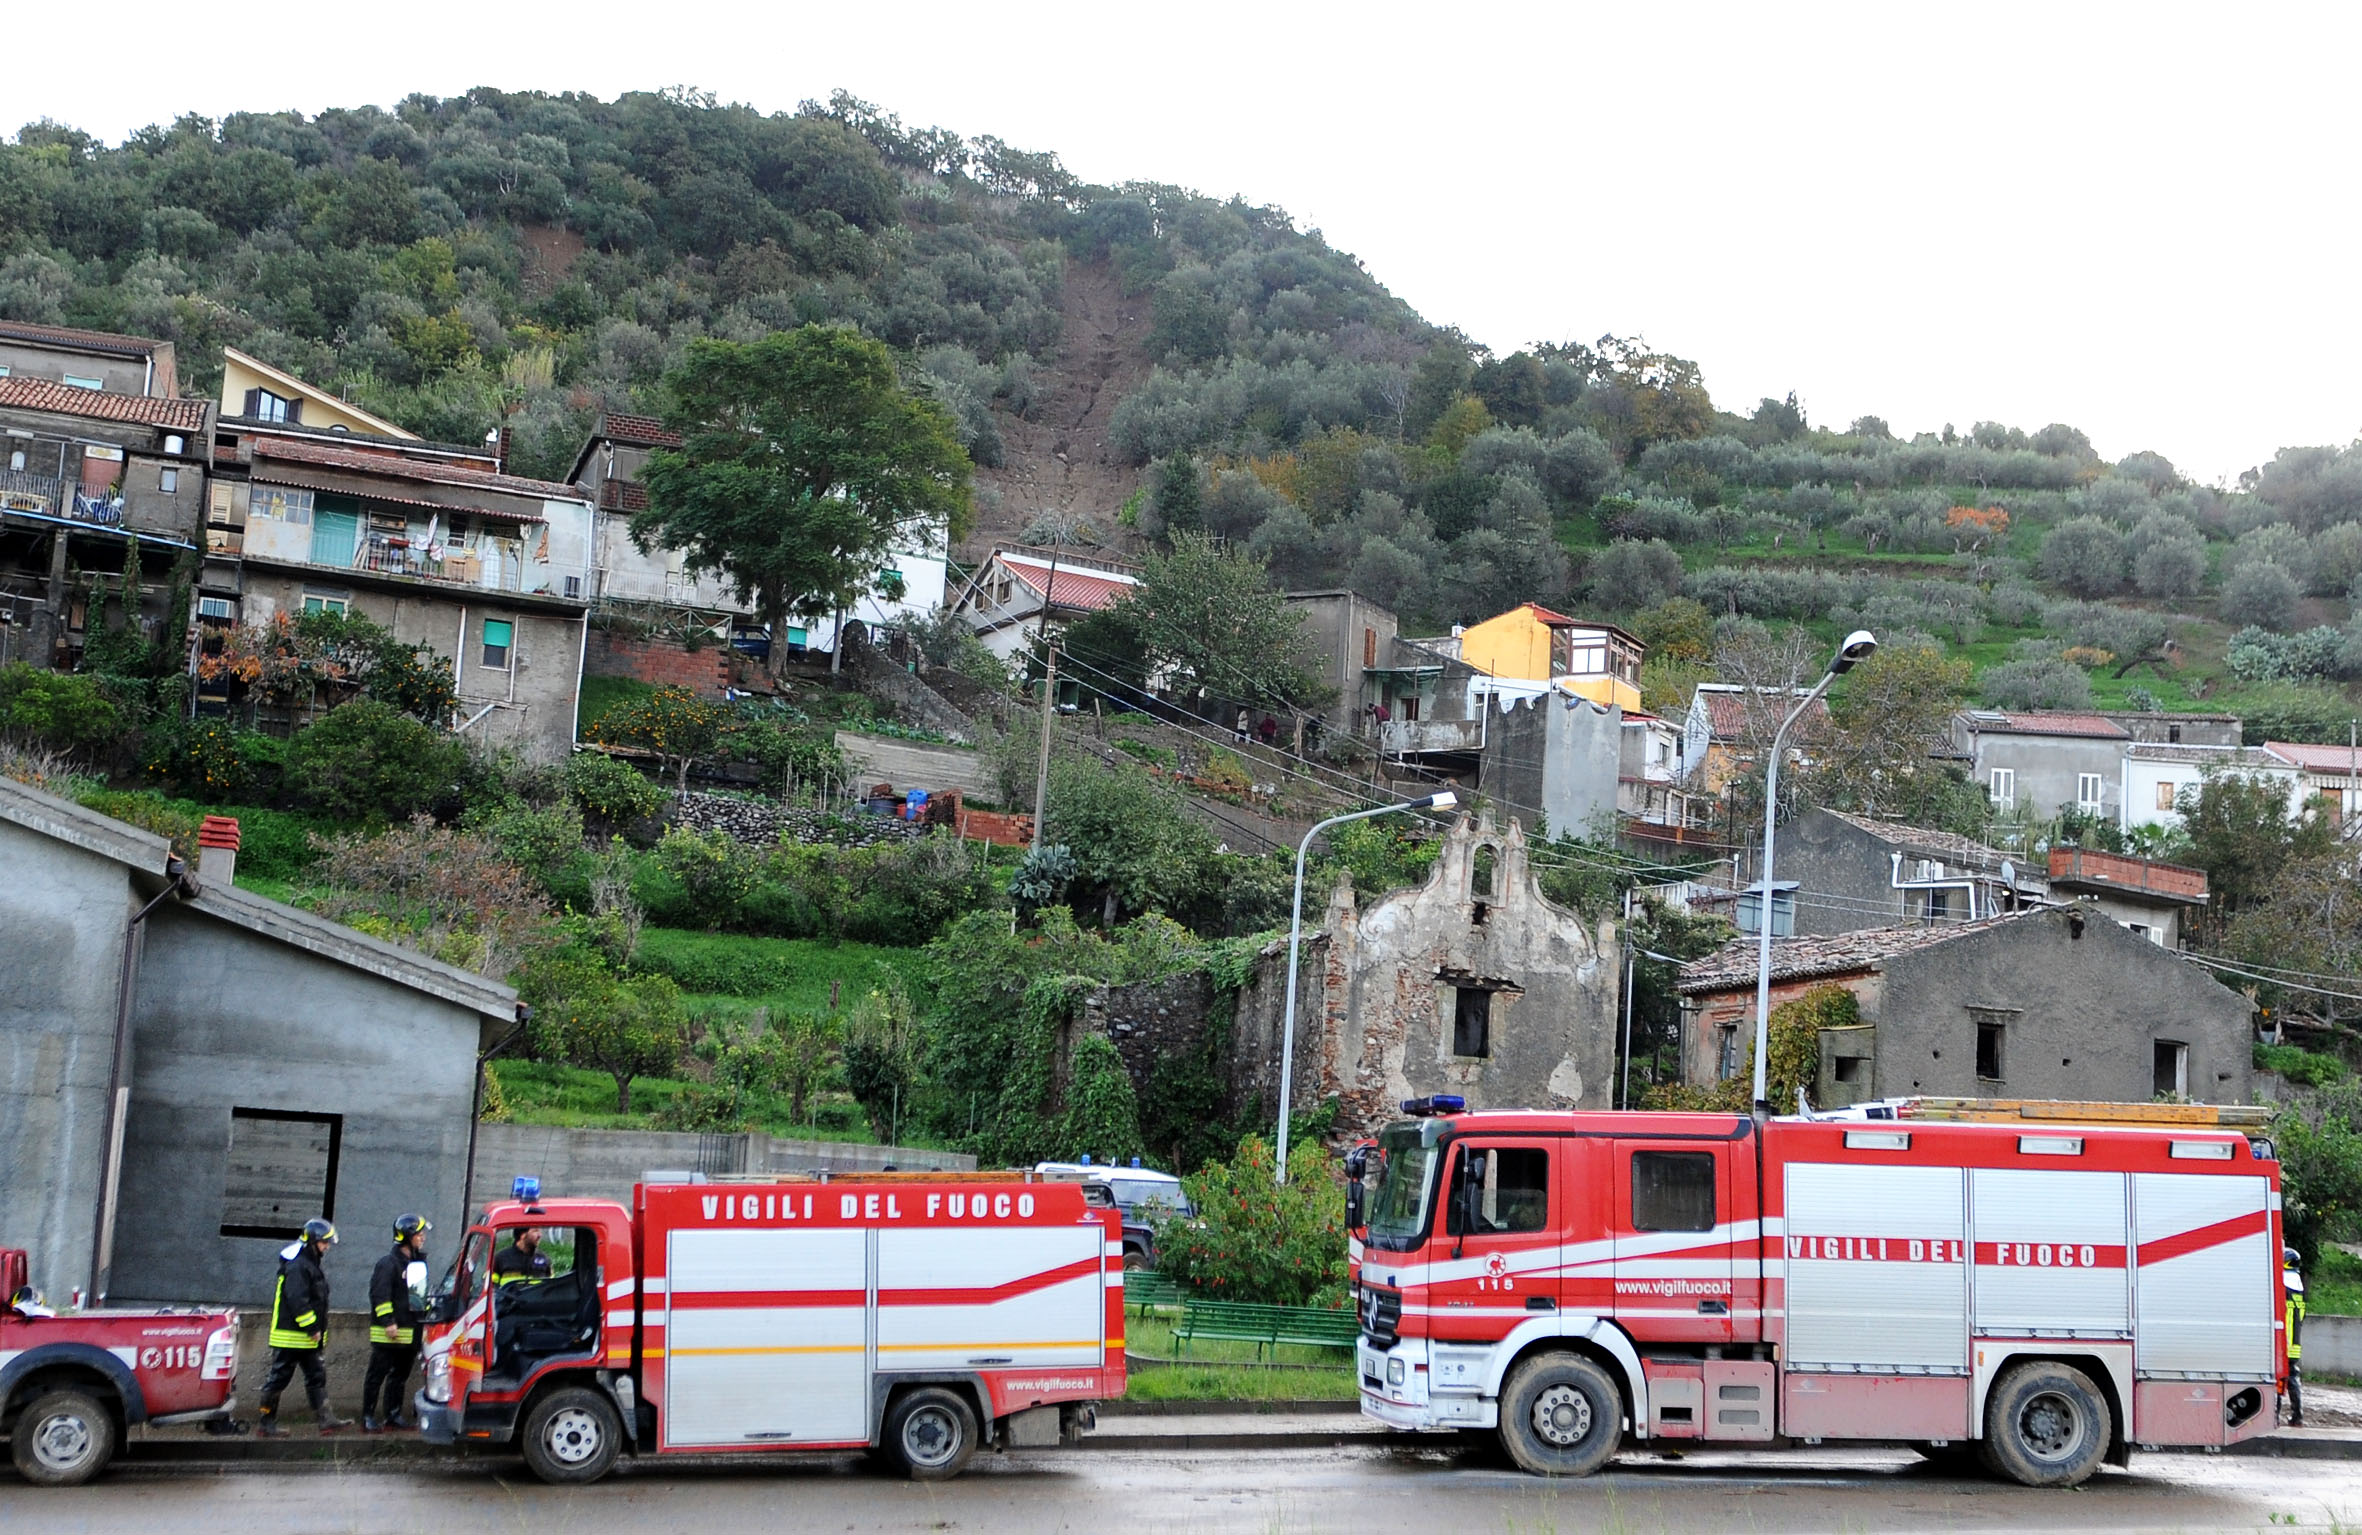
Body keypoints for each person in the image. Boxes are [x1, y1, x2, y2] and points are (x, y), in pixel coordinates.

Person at [259, 1218, 349, 1436]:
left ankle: (326, 1420)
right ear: (312, 1241)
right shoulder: (299, 1266)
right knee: (278, 1379)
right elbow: (297, 1300)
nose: (327, 1246)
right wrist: (312, 1328)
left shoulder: (309, 1264)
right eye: (324, 1242)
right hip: (290, 1337)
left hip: (308, 1338)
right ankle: (266, 1422)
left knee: (317, 1377)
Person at [362, 1214, 432, 1433]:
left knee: (399, 1377)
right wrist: (388, 1322)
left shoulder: (418, 1264)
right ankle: (367, 1417)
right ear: (406, 1237)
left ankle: (393, 1415)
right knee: (377, 1376)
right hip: (389, 1333)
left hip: (411, 1331)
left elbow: (419, 1299)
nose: (423, 1238)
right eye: (419, 1234)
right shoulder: (388, 1264)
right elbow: (379, 1295)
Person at [2286, 1245, 2308, 1426]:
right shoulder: (2298, 1285)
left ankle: (2273, 1413)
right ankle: (2297, 1415)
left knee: (2277, 1380)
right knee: (2293, 1376)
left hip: (2281, 1341)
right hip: (2295, 1342)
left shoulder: (2283, 1282)